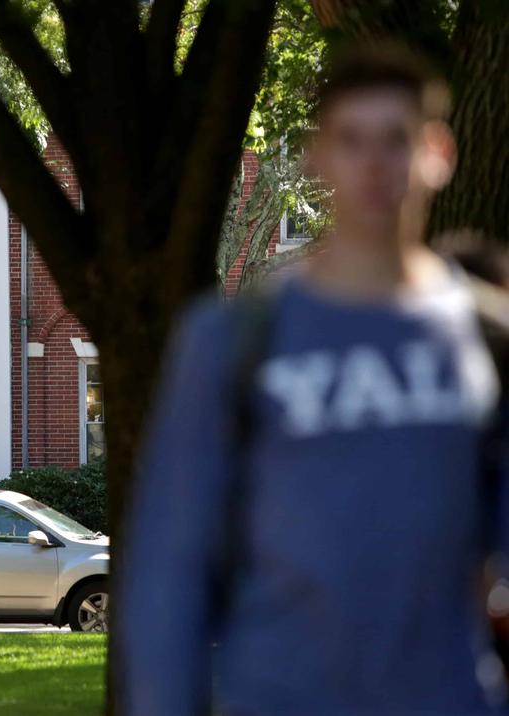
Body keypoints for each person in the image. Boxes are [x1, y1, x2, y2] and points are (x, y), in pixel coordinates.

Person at [119, 45, 509, 715]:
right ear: (316, 156)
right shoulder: (229, 340)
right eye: (351, 140)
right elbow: (170, 571)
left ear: (437, 153)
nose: (375, 165)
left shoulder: (489, 338)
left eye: (397, 139)